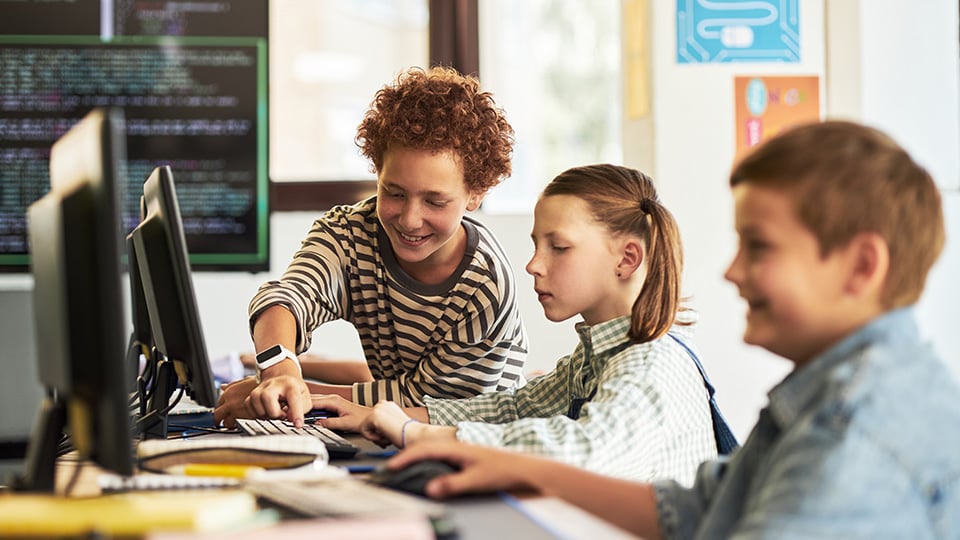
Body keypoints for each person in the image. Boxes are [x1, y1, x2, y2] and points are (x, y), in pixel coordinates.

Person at [385, 120, 960, 539]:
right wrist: (512, 464)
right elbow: (692, 509)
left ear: (861, 267)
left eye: (758, 247)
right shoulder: (831, 393)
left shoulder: (854, 430)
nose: (731, 272)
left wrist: (426, 437)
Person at [313, 164, 720, 484]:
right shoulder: (599, 354)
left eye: (558, 248)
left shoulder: (652, 364)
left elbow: (584, 452)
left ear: (627, 259)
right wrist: (378, 413)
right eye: (536, 245)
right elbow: (514, 406)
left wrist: (414, 435)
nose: (533, 265)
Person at [214, 66, 528, 429]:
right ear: (376, 172)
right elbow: (287, 298)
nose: (410, 219)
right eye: (394, 193)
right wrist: (277, 370)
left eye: (435, 202)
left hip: (473, 444)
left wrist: (294, 398)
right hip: (391, 432)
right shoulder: (348, 234)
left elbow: (429, 407)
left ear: (476, 194)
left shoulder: (484, 284)